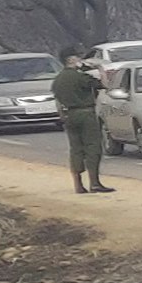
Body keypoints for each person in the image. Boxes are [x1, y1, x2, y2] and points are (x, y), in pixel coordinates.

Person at [55, 48, 111, 193]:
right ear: (71, 60)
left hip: (69, 115)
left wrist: (62, 116)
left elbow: (57, 101)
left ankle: (78, 184)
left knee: (76, 149)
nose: (80, 60)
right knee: (92, 147)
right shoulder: (79, 77)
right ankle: (94, 182)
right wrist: (100, 69)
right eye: (77, 58)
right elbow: (105, 85)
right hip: (85, 114)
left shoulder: (58, 79)